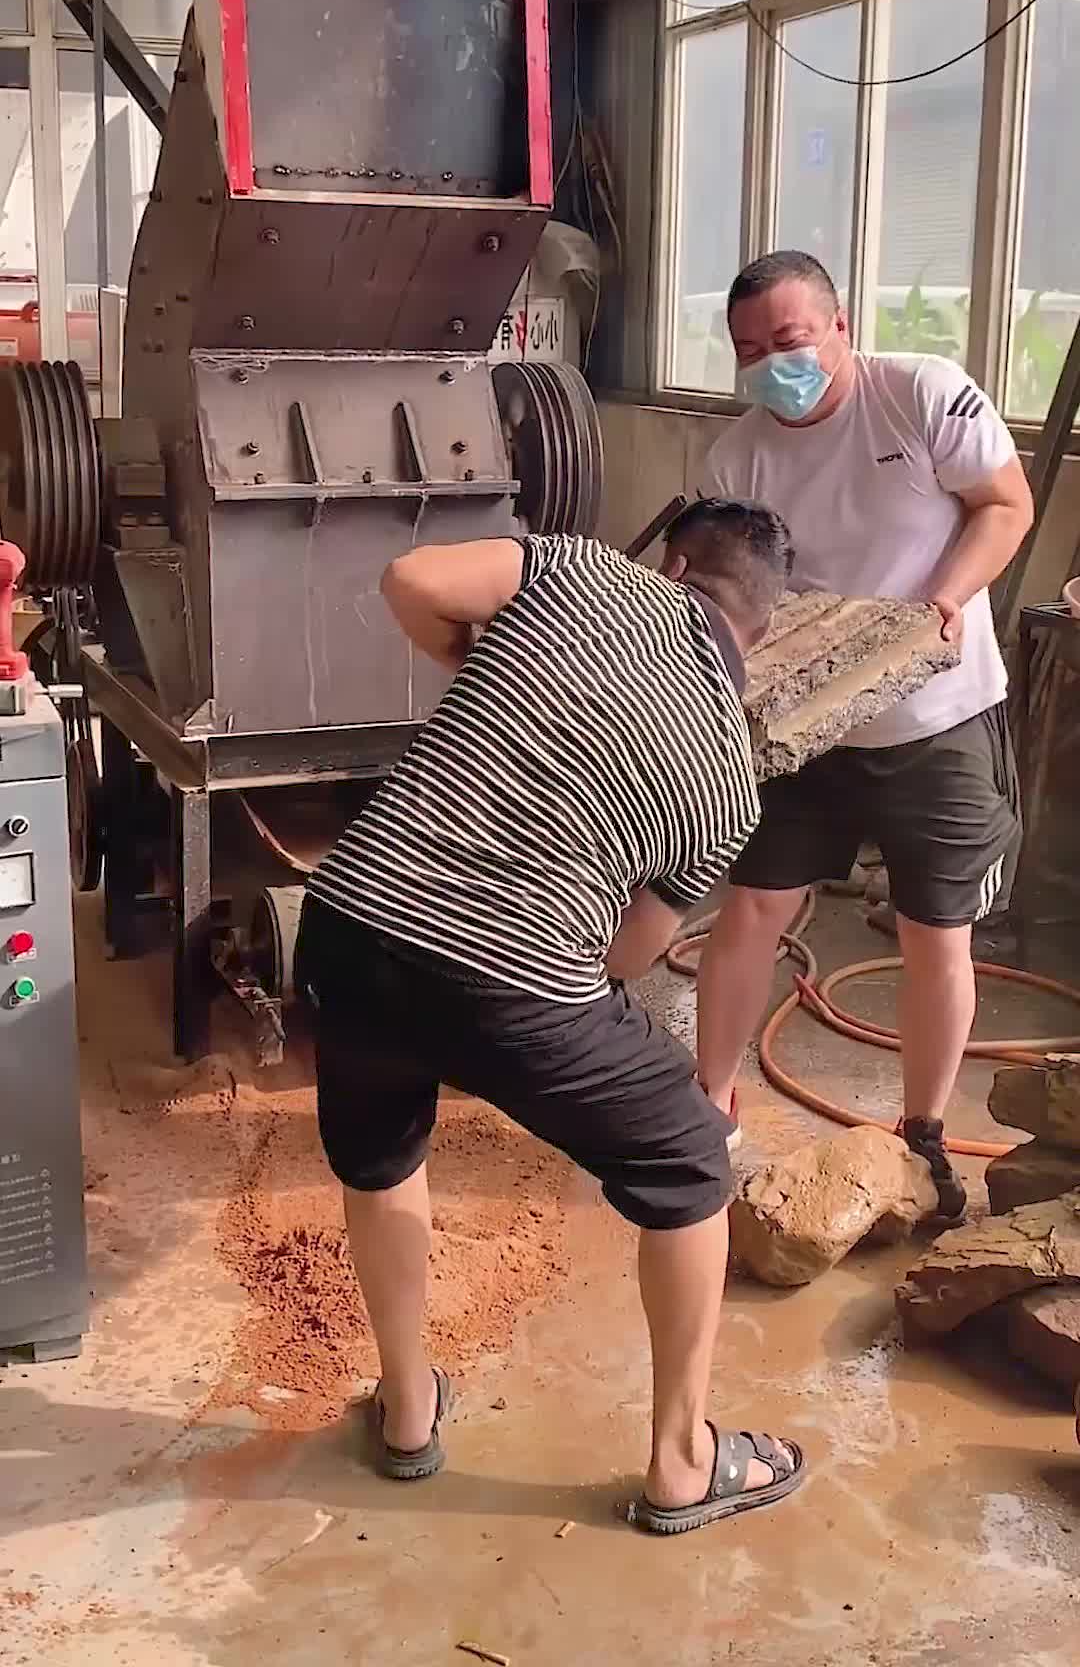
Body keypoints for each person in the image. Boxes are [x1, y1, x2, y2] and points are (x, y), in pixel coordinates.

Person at [295, 503, 806, 1534]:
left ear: (674, 562)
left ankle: (407, 1411)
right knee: (691, 1163)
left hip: (353, 925)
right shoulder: (729, 786)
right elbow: (626, 958)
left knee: (384, 1152)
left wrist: (484, 669)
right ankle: (682, 1461)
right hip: (513, 987)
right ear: (758, 630)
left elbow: (410, 581)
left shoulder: (577, 571)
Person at [696, 249, 1034, 1221]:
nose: (773, 364)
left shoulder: (920, 396)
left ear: (840, 327)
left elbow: (1006, 504)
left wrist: (942, 602)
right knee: (752, 908)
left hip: (938, 716)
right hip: (805, 729)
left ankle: (923, 1134)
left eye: (791, 339)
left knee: (935, 931)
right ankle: (707, 1104)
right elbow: (732, 597)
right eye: (750, 350)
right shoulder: (738, 459)